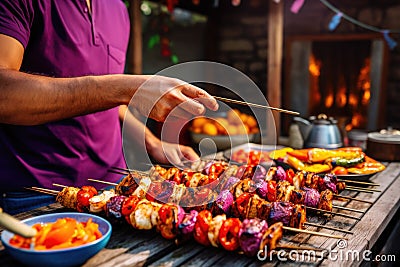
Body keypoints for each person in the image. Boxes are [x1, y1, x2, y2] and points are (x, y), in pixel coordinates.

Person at [0, 0, 218, 214]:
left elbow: (107, 101)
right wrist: (126, 87)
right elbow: (4, 94)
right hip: (37, 196)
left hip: (118, 186)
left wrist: (153, 144)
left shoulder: (118, 9)